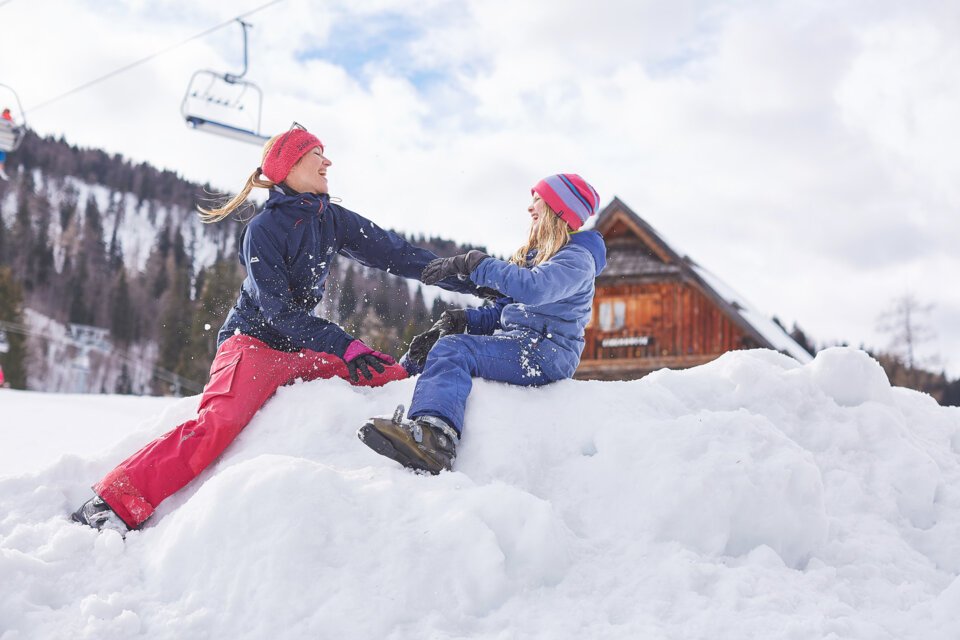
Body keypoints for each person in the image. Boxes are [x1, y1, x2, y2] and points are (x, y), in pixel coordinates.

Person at [71, 124, 478, 534]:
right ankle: (110, 502)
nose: (328, 161)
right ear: (289, 164)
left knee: (380, 374)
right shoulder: (263, 230)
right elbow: (278, 311)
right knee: (217, 426)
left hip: (300, 350)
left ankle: (410, 361)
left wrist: (475, 282)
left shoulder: (330, 219)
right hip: (252, 346)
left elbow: (398, 254)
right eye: (318, 153)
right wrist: (343, 344)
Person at [358, 174, 607, 474]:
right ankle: (390, 379)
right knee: (442, 344)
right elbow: (506, 312)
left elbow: (534, 289)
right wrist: (460, 321)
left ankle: (435, 439)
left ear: (558, 209)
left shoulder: (577, 259)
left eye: (537, 200)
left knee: (455, 351)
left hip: (546, 352)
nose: (530, 208)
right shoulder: (542, 258)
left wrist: (476, 263)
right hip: (524, 343)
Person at [0, 107, 13, 181]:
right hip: (3, 141)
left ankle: (1, 170)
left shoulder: (9, 120)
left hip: (3, 141)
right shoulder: (8, 120)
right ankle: (1, 170)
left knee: (1, 157)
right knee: (1, 157)